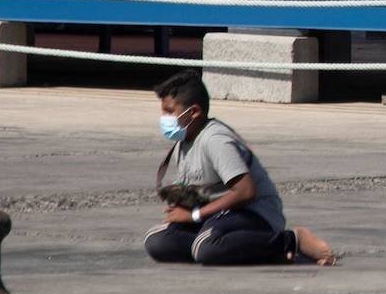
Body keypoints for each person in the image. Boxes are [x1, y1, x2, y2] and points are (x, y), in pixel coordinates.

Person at [144, 71, 337, 266]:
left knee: (207, 247)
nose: (164, 118)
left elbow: (246, 192)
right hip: (217, 215)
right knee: (158, 241)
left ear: (194, 112)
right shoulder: (183, 141)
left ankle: (292, 241)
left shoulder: (215, 140)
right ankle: (259, 251)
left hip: (252, 213)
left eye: (169, 111)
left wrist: (194, 215)